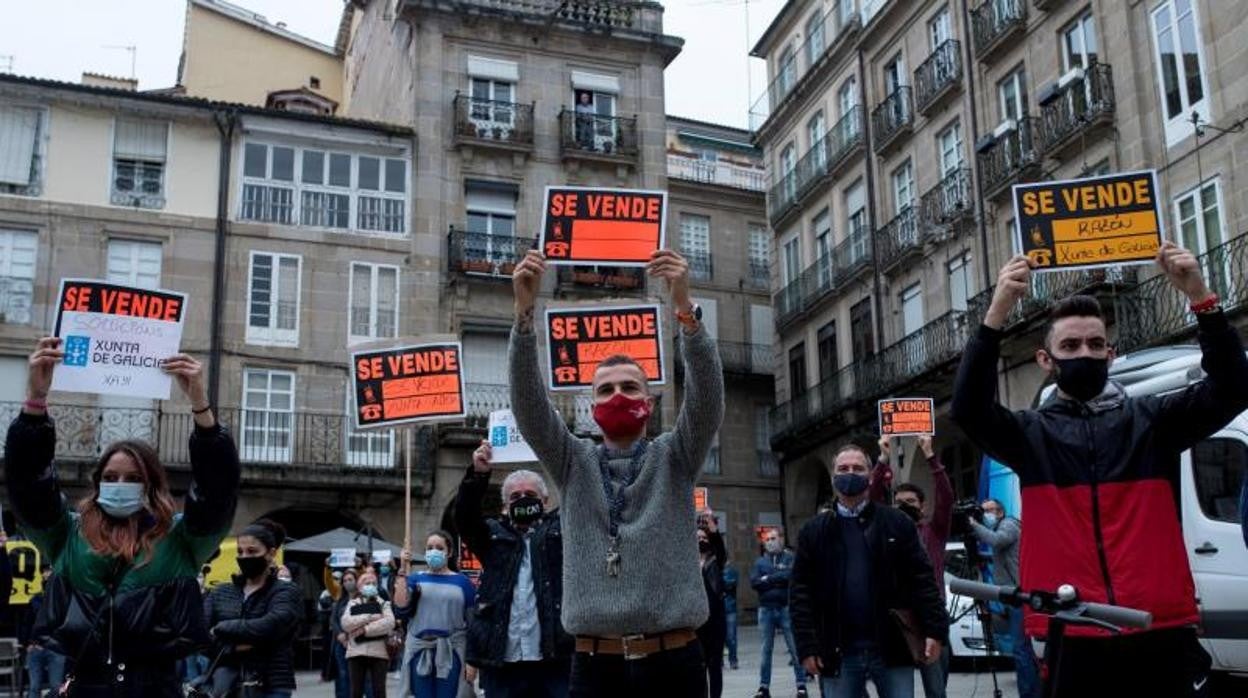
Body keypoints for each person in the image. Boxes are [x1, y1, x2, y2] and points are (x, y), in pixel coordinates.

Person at [950, 243, 1248, 696]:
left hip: (1158, 628)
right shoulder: (1030, 436)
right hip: (1071, 633)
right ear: (1046, 360)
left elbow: (1232, 387)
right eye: (1069, 345)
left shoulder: (1153, 423)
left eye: (1094, 344)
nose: (1083, 353)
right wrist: (995, 317)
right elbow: (969, 409)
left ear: (1110, 355)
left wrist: (1200, 295)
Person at [509, 249, 724, 697]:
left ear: (649, 402)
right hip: (594, 667)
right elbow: (529, 408)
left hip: (675, 663)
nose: (617, 395)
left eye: (630, 387)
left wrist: (685, 310)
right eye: (605, 390)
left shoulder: (675, 455)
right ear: (592, 405)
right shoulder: (572, 461)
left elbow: (708, 399)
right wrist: (524, 316)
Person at [4, 338, 239, 697]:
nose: (120, 484)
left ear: (151, 486)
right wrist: (35, 402)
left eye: (133, 478)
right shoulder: (67, 534)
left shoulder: (180, 540)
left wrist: (201, 408)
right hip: (86, 686)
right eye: (111, 477)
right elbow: (28, 483)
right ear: (96, 484)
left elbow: (217, 491)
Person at [791, 445, 947, 698]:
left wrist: (935, 630)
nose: (850, 473)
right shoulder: (814, 531)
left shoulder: (897, 523)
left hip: (891, 647)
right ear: (833, 477)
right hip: (838, 651)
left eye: (857, 468)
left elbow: (922, 580)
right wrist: (807, 646)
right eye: (843, 469)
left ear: (870, 475)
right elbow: (800, 593)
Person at [455, 441, 572, 697]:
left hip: (553, 659)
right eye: (515, 497)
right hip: (502, 661)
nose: (523, 500)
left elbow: (581, 506)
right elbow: (464, 518)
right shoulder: (491, 536)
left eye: (530, 495)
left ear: (545, 500)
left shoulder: (561, 531)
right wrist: (478, 474)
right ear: (505, 507)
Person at [869, 435, 954, 698]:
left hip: (930, 618)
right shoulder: (885, 530)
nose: (904, 507)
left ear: (922, 505)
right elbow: (871, 499)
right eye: (899, 503)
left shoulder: (934, 530)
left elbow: (946, 498)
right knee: (896, 690)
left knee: (936, 689)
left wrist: (929, 455)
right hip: (897, 618)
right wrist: (882, 459)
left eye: (911, 502)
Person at [202, 519, 303, 698]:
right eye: (240, 551)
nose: (245, 557)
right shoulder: (220, 592)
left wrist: (221, 628)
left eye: (252, 551)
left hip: (271, 683)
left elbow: (273, 625)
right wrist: (234, 648)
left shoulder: (285, 591)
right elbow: (200, 635)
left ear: (271, 553)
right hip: (225, 683)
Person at [965, 499, 1037, 697]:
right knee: (1021, 648)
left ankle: (1029, 693)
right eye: (983, 511)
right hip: (1011, 595)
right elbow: (1001, 554)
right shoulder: (1001, 526)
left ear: (999, 512)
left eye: (988, 510)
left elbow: (997, 540)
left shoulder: (1009, 525)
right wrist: (978, 556)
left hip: (1019, 595)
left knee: (1020, 649)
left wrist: (973, 524)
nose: (984, 514)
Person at [394, 530, 477, 698]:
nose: (434, 551)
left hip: (452, 653)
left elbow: (473, 625)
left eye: (439, 547)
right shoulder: (415, 578)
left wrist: (472, 662)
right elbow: (400, 607)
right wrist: (402, 567)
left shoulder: (463, 583)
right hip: (419, 651)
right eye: (429, 547)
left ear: (449, 552)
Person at [750, 527, 806, 698]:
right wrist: (776, 577)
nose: (770, 542)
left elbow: (789, 576)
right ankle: (764, 687)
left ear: (780, 539)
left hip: (785, 608)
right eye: (767, 540)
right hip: (766, 610)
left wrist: (768, 578)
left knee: (794, 649)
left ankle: (801, 685)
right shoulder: (760, 562)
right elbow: (754, 582)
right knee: (765, 651)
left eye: (773, 538)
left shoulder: (789, 558)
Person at [342, 569, 397, 698]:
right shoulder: (352, 603)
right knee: (356, 692)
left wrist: (365, 630)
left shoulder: (384, 604)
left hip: (379, 652)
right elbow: (346, 623)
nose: (370, 586)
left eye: (373, 583)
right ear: (360, 587)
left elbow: (389, 623)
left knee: (379, 691)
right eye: (367, 583)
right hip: (356, 652)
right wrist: (369, 616)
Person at [21, 565, 68, 698]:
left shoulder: (64, 600)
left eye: (51, 570)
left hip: (56, 648)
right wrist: (26, 643)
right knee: (34, 687)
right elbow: (26, 623)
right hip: (36, 647)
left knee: (56, 687)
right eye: (46, 571)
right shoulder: (35, 600)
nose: (48, 573)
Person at [696, 513, 728, 698]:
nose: (701, 540)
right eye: (698, 538)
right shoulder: (690, 563)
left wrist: (713, 530)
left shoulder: (716, 560)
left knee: (715, 664)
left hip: (715, 620)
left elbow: (720, 550)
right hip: (697, 621)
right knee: (699, 665)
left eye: (704, 537)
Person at [722, 559, 740, 671]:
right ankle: (721, 662)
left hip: (729, 607)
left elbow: (729, 584)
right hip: (719, 608)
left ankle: (733, 660)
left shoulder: (731, 571)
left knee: (731, 637)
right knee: (719, 637)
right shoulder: (714, 570)